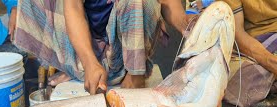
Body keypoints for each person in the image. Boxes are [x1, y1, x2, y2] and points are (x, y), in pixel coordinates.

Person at [13, 0, 192, 95]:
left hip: (126, 43)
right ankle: (79, 65)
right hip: (90, 36)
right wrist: (90, 63)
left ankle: (134, 74)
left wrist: (186, 24)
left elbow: (168, 2)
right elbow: (73, 8)